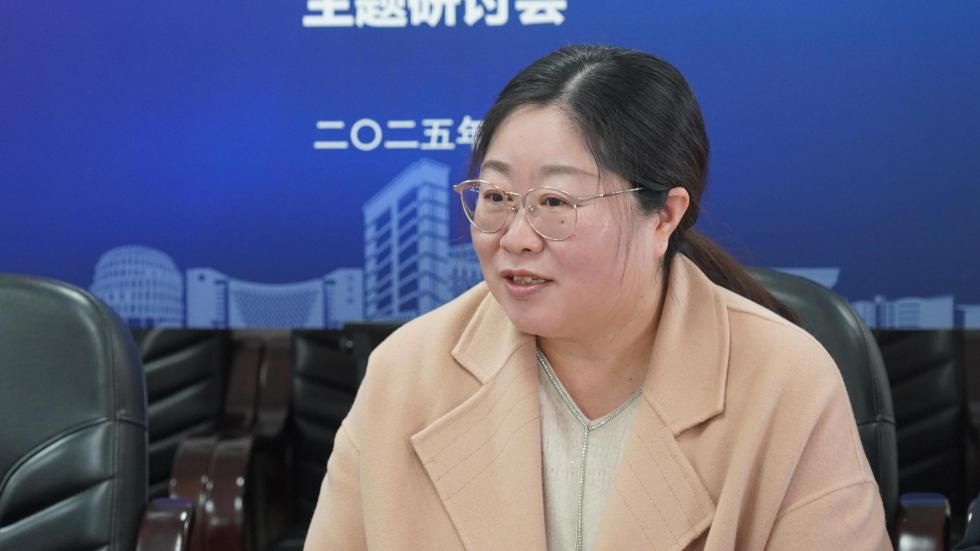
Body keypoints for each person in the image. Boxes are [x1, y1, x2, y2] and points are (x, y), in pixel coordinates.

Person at [305, 44, 891, 550]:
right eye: (497, 197)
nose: (515, 237)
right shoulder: (406, 374)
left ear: (664, 215)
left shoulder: (784, 381)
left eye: (555, 203)